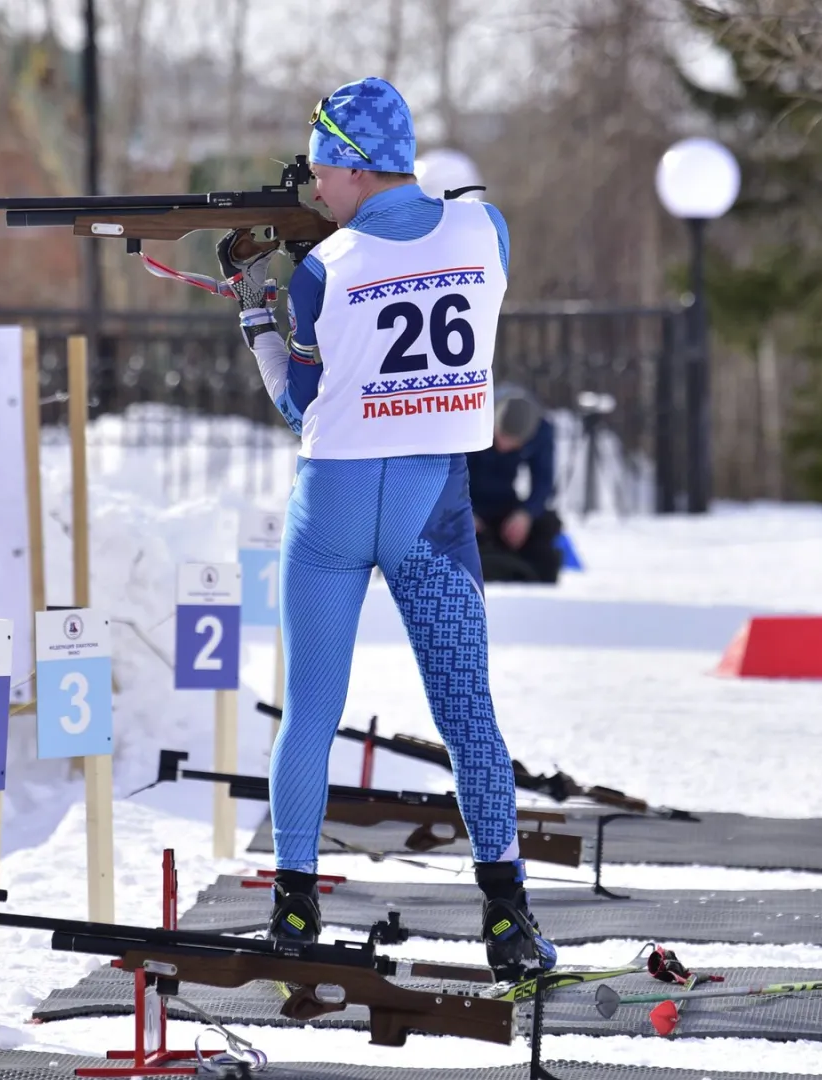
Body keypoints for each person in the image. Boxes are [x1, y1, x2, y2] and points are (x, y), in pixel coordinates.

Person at [213, 76, 555, 979]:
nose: (314, 186)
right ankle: (508, 920)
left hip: (331, 506)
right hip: (431, 512)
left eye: (322, 167)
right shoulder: (487, 232)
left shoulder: (327, 270)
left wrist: (253, 306)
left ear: (352, 167)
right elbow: (439, 229)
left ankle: (293, 910)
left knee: (311, 715)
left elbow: (298, 402)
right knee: (469, 716)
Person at [469, 383, 564, 584]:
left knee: (546, 525)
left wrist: (526, 514)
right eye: (501, 437)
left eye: (513, 443)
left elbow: (543, 481)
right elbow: (449, 476)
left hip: (504, 502)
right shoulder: (472, 416)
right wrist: (462, 512)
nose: (504, 446)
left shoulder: (542, 431)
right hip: (466, 502)